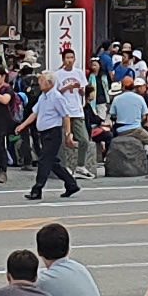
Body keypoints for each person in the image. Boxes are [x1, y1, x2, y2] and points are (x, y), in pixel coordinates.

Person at [27, 65, 85, 201]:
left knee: (43, 161)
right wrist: (23, 125)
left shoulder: (57, 97)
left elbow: (66, 115)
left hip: (53, 132)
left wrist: (68, 134)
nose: (39, 83)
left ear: (50, 83)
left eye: (42, 81)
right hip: (44, 132)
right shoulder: (43, 97)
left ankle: (37, 189)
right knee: (53, 162)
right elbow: (35, 112)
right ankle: (71, 184)